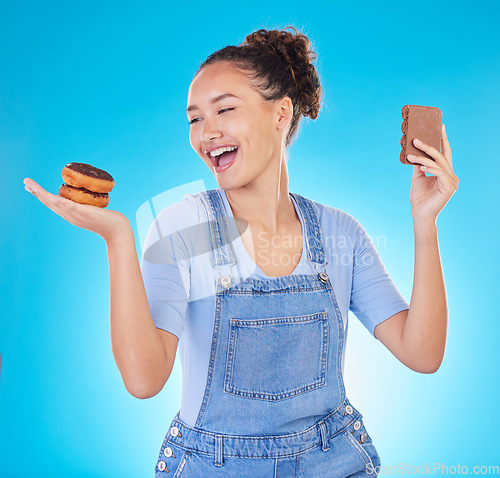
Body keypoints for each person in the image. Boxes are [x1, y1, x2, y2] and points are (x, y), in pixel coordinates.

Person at [24, 26, 458, 478]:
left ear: (281, 113)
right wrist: (117, 240)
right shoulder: (186, 228)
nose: (206, 133)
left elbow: (422, 354)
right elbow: (144, 380)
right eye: (194, 119)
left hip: (336, 463)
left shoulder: (338, 234)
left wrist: (426, 223)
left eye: (225, 110)